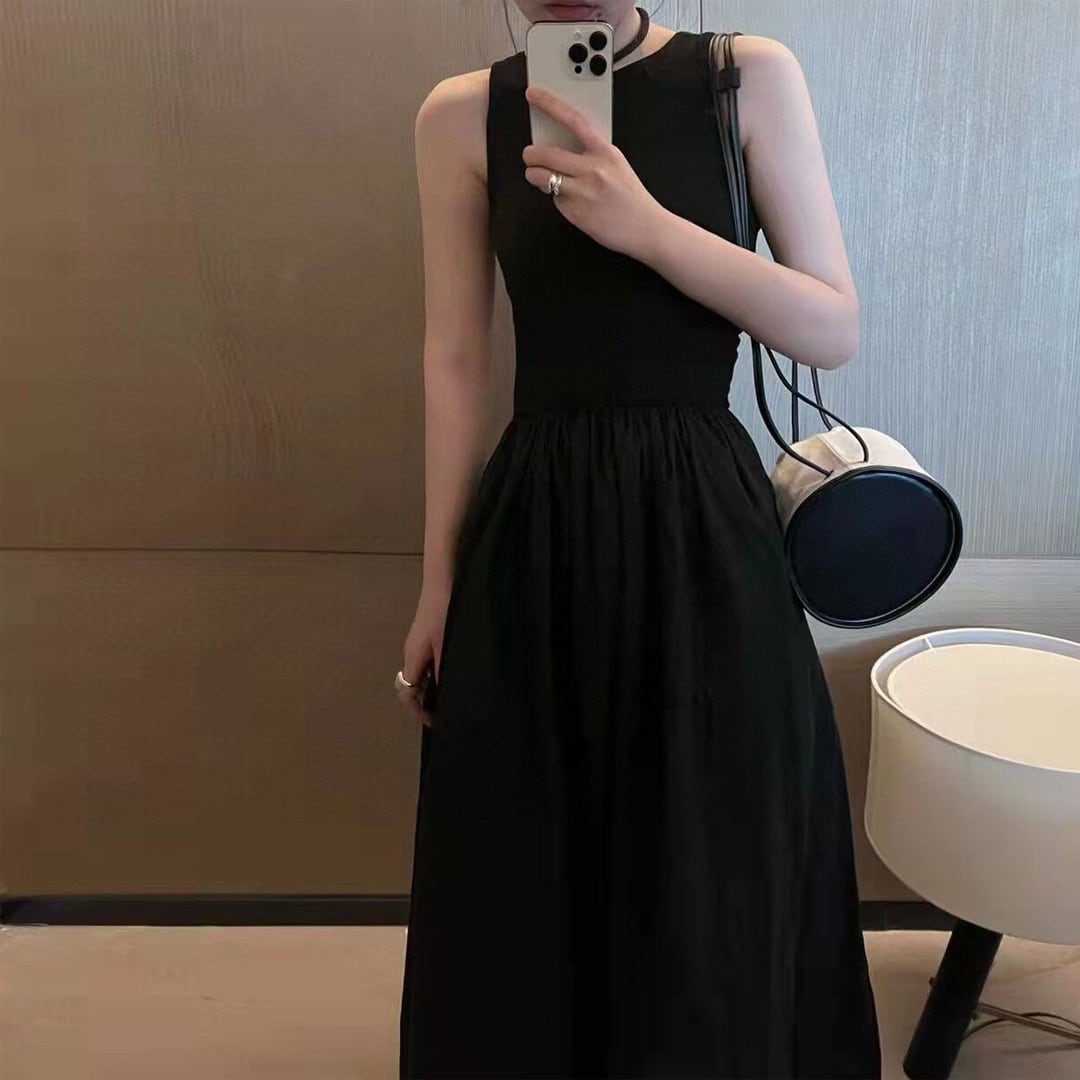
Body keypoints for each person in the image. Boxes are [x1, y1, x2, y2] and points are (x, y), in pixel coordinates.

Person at [395, 2, 882, 1076]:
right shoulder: (461, 116)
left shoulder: (743, 78)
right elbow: (457, 360)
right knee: (532, 840)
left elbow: (832, 328)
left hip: (704, 518)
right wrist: (438, 582)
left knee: (715, 832)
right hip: (537, 522)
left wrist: (648, 226)